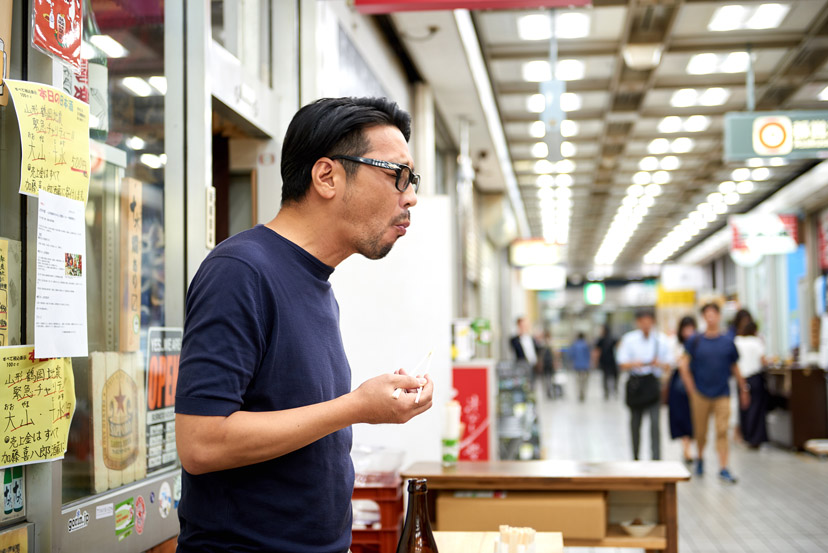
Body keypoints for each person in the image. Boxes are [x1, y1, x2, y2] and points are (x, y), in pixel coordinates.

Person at [174, 97, 434, 552]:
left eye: (411, 179)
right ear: (327, 176)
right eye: (397, 175)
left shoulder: (318, 286)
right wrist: (356, 407)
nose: (409, 195)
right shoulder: (241, 271)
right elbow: (201, 443)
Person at [679, 303, 750, 484]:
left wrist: (743, 388)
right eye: (707, 315)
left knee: (722, 431)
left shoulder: (727, 341)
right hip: (700, 393)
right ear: (703, 317)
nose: (710, 318)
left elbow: (734, 367)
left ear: (718, 317)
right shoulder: (695, 341)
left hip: (722, 393)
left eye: (713, 314)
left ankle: (723, 467)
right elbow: (683, 365)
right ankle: (700, 458)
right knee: (700, 431)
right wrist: (691, 388)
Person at [617, 309, 674, 461]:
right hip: (636, 386)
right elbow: (622, 363)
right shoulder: (629, 340)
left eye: (648, 320)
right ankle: (635, 458)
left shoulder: (660, 340)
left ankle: (656, 460)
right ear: (637, 322)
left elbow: (669, 364)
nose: (646, 324)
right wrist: (635, 363)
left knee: (655, 425)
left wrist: (658, 363)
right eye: (642, 320)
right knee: (635, 424)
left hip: (652, 385)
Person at [668, 316, 697, 464]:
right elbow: (673, 362)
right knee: (681, 416)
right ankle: (686, 448)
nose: (688, 331)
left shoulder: (698, 343)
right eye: (686, 328)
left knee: (693, 417)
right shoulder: (675, 343)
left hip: (696, 382)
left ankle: (689, 447)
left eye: (691, 328)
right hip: (679, 385)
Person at [735, 320, 768, 448]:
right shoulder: (756, 342)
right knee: (756, 409)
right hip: (754, 378)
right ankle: (755, 438)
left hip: (741, 379)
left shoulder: (737, 341)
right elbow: (763, 360)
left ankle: (746, 436)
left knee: (744, 408)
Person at [594, 324, 619, 400]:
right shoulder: (611, 338)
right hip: (610, 361)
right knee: (613, 377)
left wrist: (596, 361)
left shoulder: (603, 339)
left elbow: (597, 351)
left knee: (606, 377)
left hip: (607, 361)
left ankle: (608, 392)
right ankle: (612, 390)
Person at [570, 332, 592, 402]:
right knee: (584, 381)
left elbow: (571, 355)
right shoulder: (586, 345)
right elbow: (588, 355)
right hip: (585, 366)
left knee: (578, 381)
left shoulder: (574, 345)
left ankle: (579, 392)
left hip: (577, 366)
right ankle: (583, 393)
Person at [539, 330, 560, 399]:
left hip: (550, 363)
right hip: (546, 364)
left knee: (550, 379)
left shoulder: (550, 344)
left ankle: (551, 392)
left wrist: (556, 362)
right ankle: (549, 392)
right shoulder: (543, 344)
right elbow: (541, 356)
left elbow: (555, 354)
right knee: (547, 379)